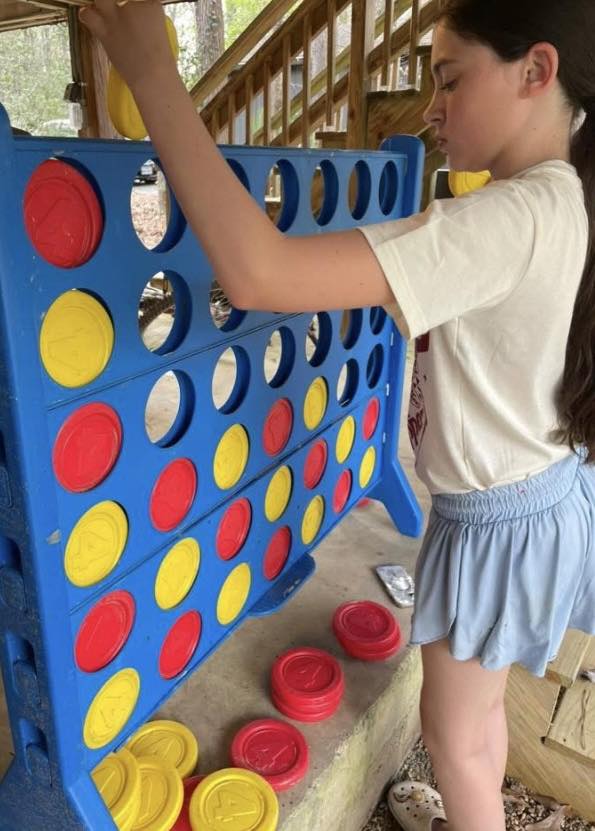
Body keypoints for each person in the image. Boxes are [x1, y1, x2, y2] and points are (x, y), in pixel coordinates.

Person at [79, 1, 595, 829]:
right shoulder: (555, 196)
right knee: (475, 720)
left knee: (454, 739)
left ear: (535, 71)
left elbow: (258, 273)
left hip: (496, 522)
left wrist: (151, 74)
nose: (430, 110)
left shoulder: (504, 219)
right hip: (533, 498)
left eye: (449, 81)